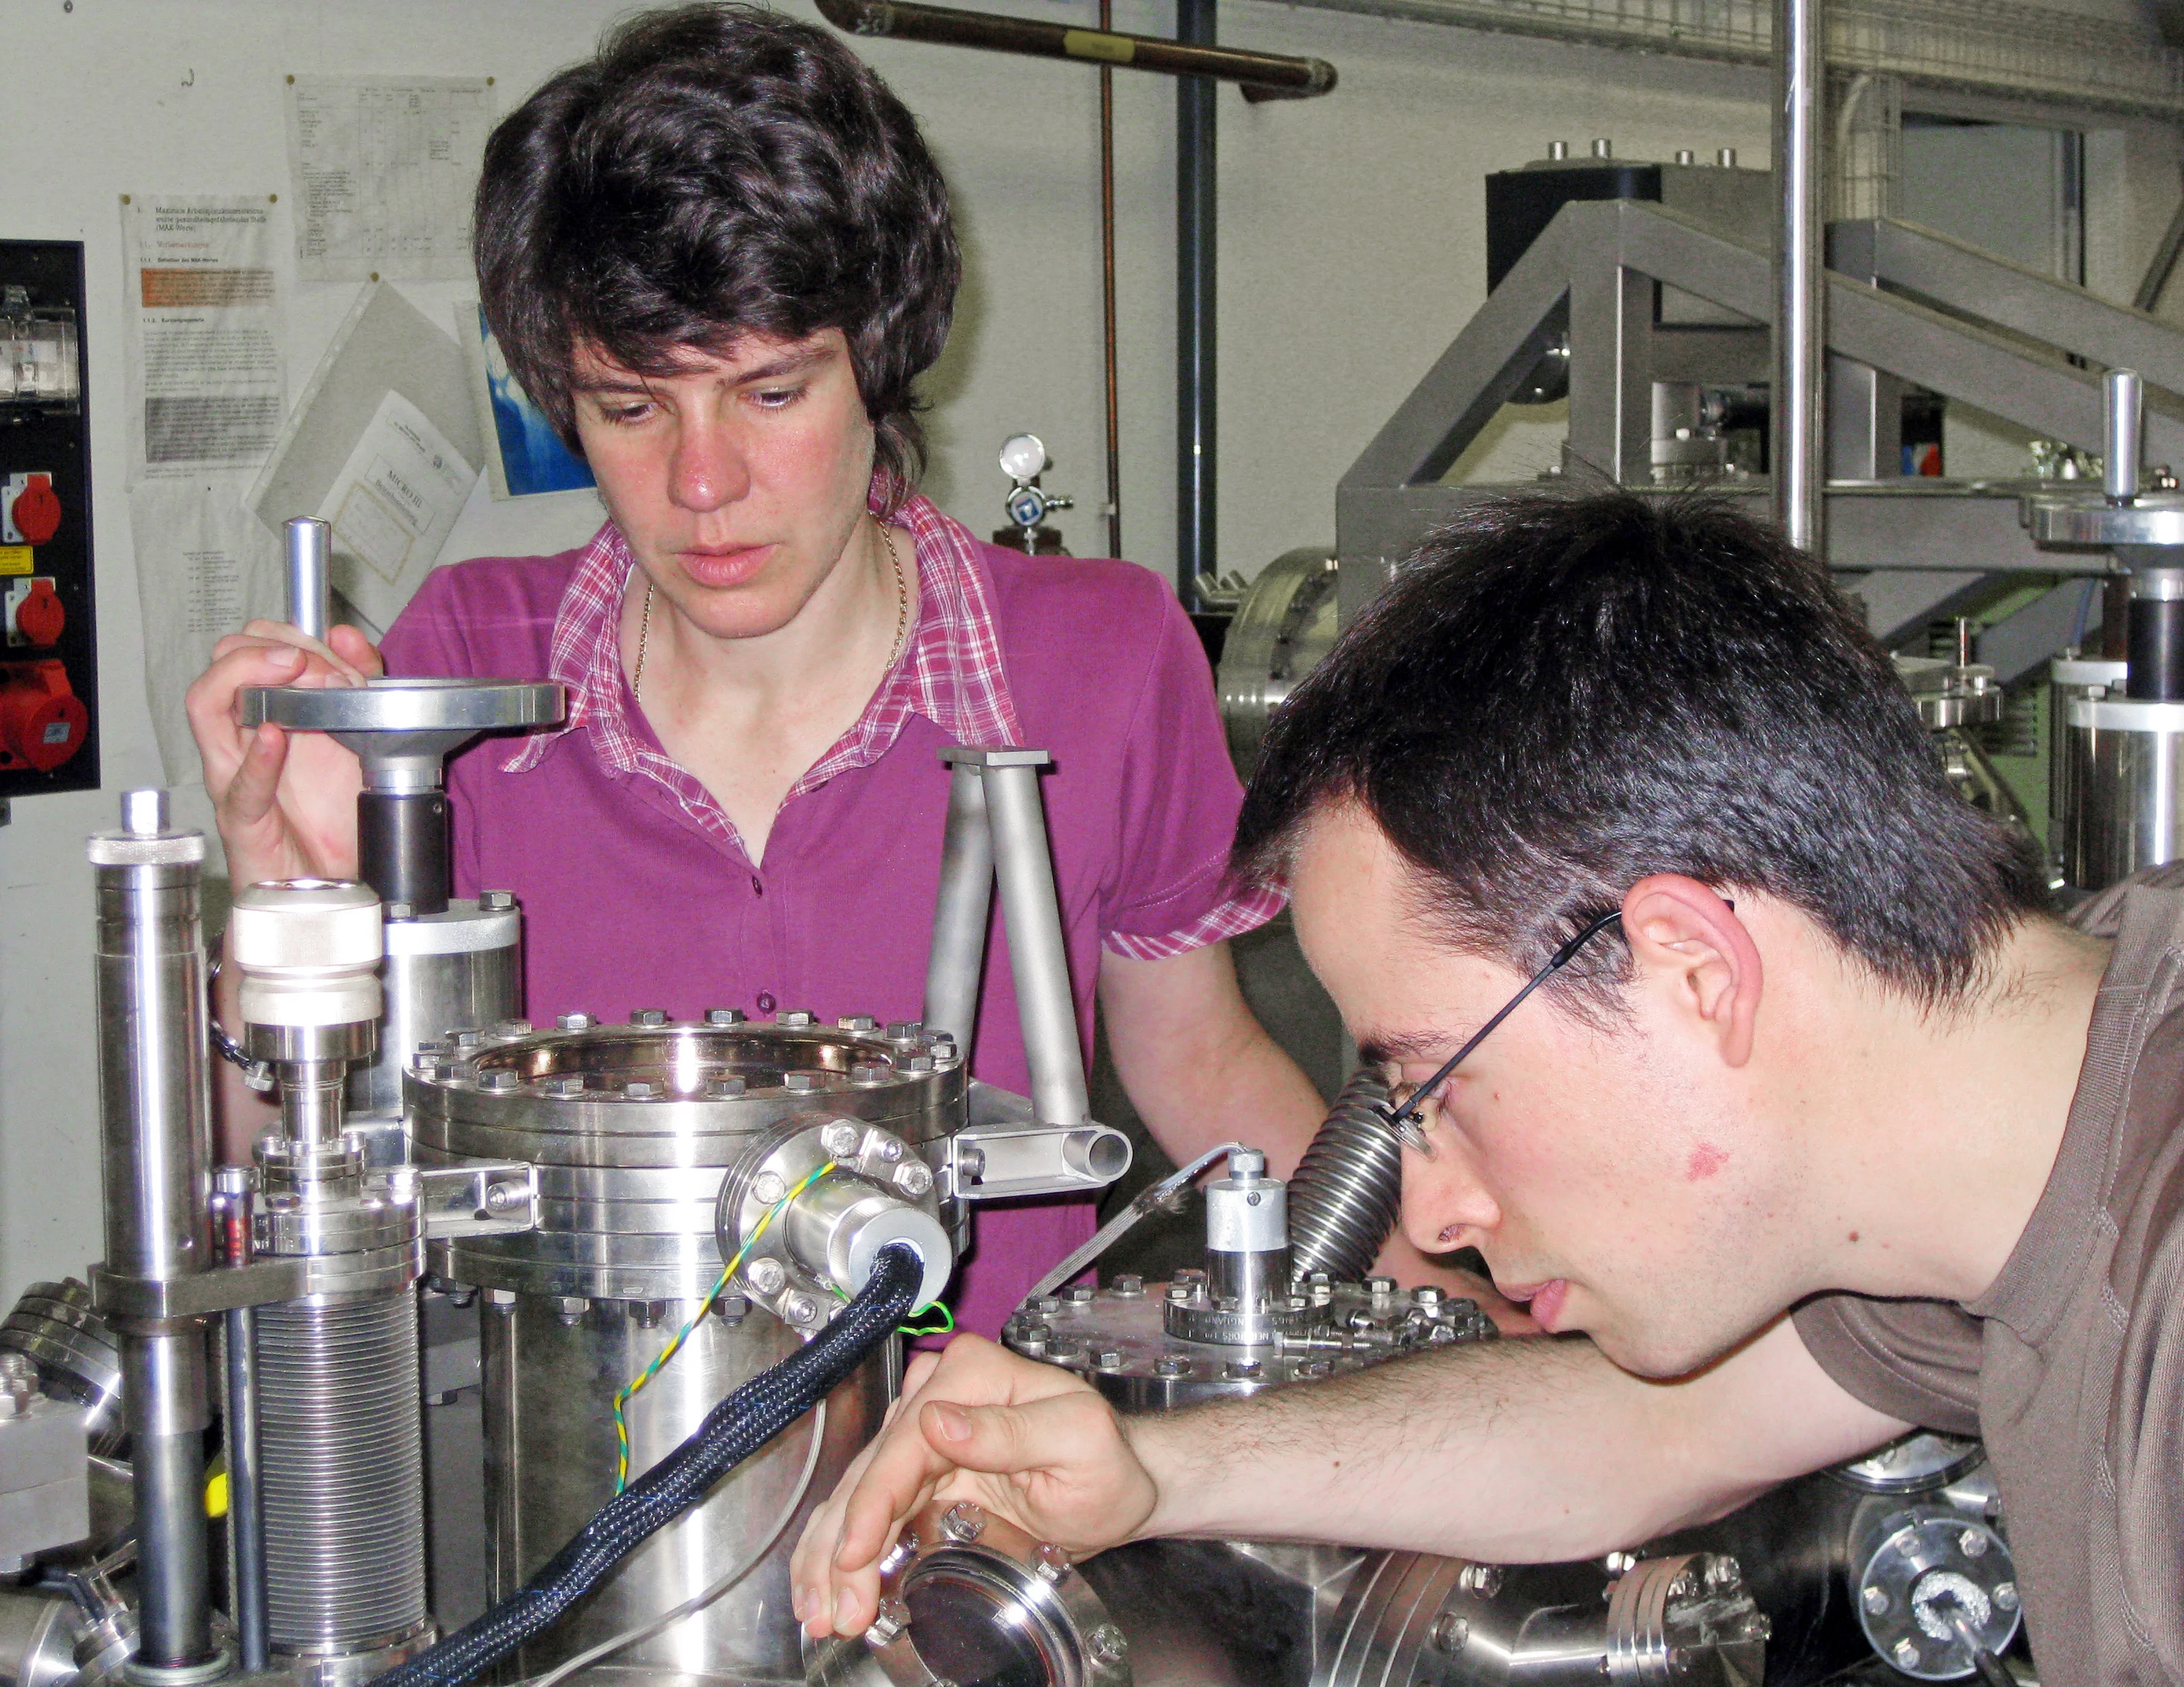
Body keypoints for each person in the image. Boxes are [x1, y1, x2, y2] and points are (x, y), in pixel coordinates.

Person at [792, 489, 2184, 1686]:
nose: (1433, 1201)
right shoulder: (2011, 1122)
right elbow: (1654, 1433)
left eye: (1436, 1088)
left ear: (1691, 965)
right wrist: (1152, 1469)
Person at [184, 3, 1478, 1335]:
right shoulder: (458, 686)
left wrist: (1452, 1321)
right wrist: (284, 904)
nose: (702, 482)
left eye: (772, 393)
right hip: (570, 1481)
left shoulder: (1096, 661)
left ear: (881, 361)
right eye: (632, 410)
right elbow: (266, 1165)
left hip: (975, 1486)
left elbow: (1199, 1064)